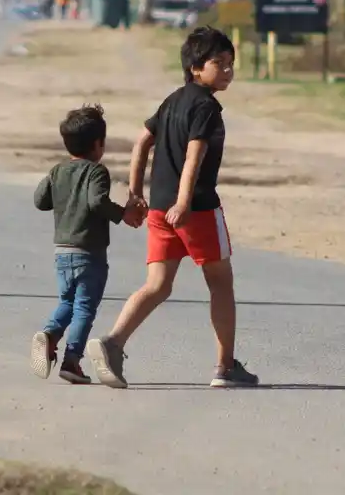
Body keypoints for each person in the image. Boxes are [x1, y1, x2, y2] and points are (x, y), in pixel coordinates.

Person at [86, 26, 259, 389]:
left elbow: (142, 141)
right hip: (194, 209)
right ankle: (225, 367)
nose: (227, 70)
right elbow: (196, 152)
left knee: (157, 285)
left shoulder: (172, 100)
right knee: (221, 283)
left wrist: (136, 193)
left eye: (231, 63)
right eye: (218, 62)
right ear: (196, 67)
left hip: (160, 211)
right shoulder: (206, 107)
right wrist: (184, 201)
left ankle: (113, 342)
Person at [31, 104, 144, 384]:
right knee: (84, 308)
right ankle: (71, 361)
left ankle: (49, 335)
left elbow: (40, 200)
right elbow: (96, 202)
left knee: (67, 302)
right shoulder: (97, 172)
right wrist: (123, 214)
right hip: (89, 254)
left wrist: (57, 185)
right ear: (98, 144)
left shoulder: (57, 171)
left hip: (62, 253)